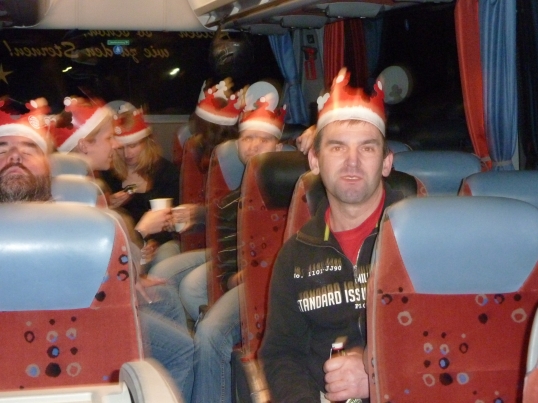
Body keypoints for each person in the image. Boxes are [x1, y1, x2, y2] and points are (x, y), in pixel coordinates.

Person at [259, 67, 403, 403]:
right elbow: (281, 355)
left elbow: (447, 342)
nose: (352, 162)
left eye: (367, 148)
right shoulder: (295, 256)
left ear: (386, 162)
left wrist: (377, 374)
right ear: (314, 160)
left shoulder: (421, 243)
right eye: (337, 148)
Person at [45, 97, 195, 401]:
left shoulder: (90, 184)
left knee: (166, 297)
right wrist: (142, 230)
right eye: (109, 138)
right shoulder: (75, 192)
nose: (116, 146)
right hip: (88, 312)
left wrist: (134, 277)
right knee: (184, 350)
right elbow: (86, 269)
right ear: (84, 145)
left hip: (99, 295)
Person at [151, 82, 286, 403]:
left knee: (210, 332)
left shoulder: (292, 189)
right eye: (247, 138)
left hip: (279, 279)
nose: (254, 146)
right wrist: (232, 277)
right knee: (207, 326)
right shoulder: (230, 204)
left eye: (264, 139)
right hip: (247, 278)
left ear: (279, 148)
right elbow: (226, 256)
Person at [101, 105, 181, 268]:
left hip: (161, 242)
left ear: (146, 143)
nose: (127, 154)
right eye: (121, 148)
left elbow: (174, 219)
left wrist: (153, 242)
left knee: (164, 262)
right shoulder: (108, 174)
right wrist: (108, 204)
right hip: (124, 243)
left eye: (133, 146)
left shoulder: (166, 172)